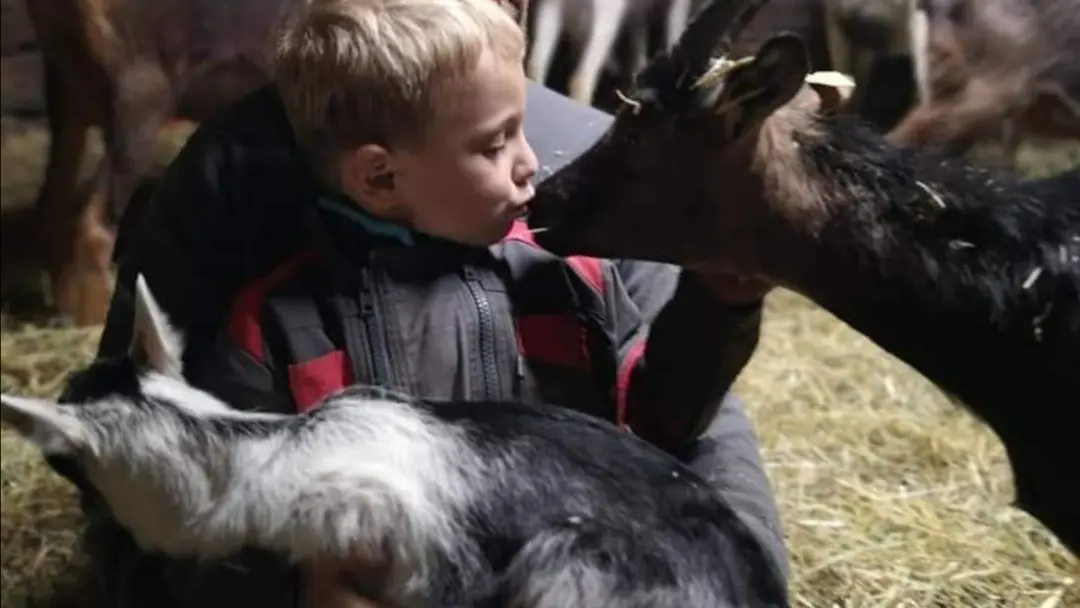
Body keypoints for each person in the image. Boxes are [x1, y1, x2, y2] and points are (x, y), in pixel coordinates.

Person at [66, 0, 790, 605]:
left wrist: (716, 308)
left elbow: (661, 424)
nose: (534, 160)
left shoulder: (569, 276)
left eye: (520, 127)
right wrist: (290, 584)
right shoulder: (277, 318)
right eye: (498, 141)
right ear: (379, 178)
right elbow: (217, 497)